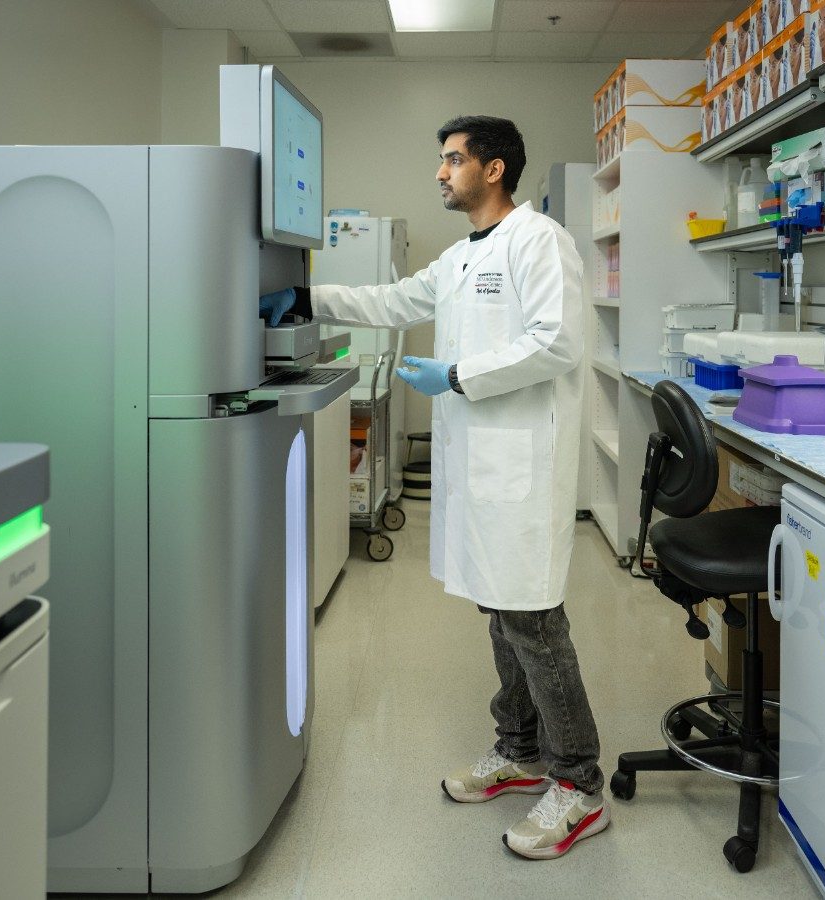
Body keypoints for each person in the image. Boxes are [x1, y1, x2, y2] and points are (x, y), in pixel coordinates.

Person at [259, 116, 608, 860]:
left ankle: (578, 786)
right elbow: (394, 301)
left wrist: (453, 376)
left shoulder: (539, 241)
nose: (441, 173)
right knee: (501, 614)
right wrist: (307, 298)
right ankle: (518, 749)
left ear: (494, 168)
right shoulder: (458, 257)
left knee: (535, 624)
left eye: (453, 160)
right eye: (442, 160)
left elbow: (558, 341)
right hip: (479, 466)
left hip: (520, 467)